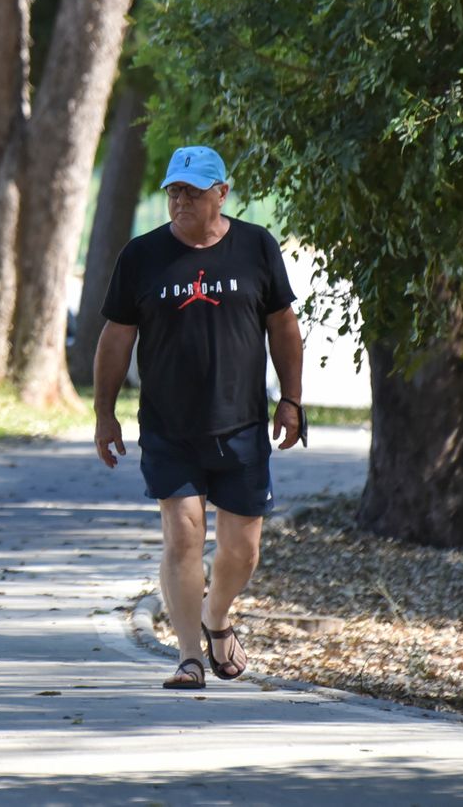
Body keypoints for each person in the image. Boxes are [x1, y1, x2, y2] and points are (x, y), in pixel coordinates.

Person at [91, 144, 305, 690]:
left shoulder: (256, 247)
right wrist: (104, 414)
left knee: (242, 550)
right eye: (174, 191)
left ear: (222, 194)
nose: (181, 200)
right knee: (183, 536)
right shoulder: (142, 256)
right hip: (169, 428)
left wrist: (291, 399)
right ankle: (188, 656)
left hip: (242, 426)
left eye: (192, 191)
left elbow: (283, 326)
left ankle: (216, 617)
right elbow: (116, 337)